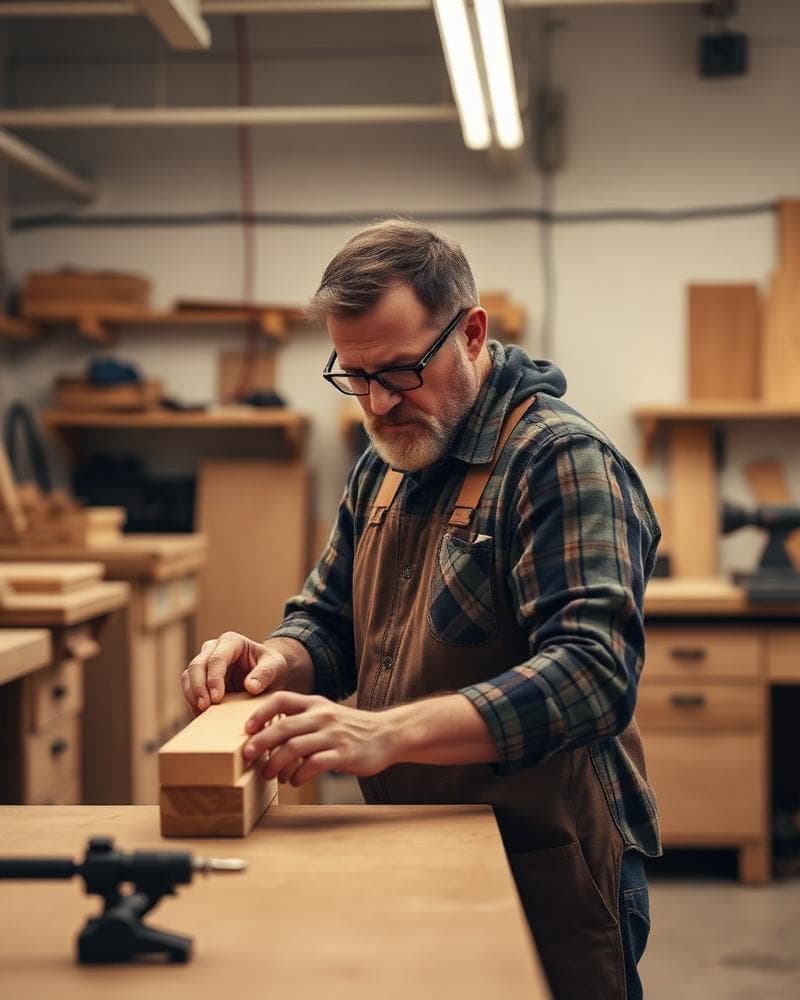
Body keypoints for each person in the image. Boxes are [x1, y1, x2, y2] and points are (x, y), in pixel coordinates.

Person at [182, 219, 661, 999]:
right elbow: (329, 619)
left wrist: (384, 732)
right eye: (354, 375)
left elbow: (592, 674)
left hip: (546, 859)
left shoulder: (559, 461)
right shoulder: (387, 461)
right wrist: (277, 658)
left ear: (471, 333)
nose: (377, 402)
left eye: (402, 371)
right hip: (418, 843)